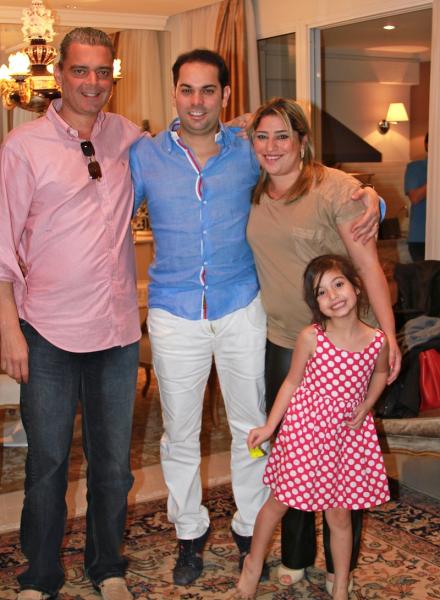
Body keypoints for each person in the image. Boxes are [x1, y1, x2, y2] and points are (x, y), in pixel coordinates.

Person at [129, 52, 381, 587]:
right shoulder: (145, 155)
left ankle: (249, 527)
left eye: (208, 90)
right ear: (173, 93)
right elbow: (103, 211)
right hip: (175, 310)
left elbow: (312, 175)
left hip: (243, 307)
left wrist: (372, 201)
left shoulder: (247, 148)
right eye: (187, 89)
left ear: (225, 96)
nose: (197, 101)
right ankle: (189, 532)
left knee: (252, 426)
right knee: (179, 432)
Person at [0, 28, 140, 600]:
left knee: (113, 466)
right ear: (58, 74)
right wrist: (9, 331)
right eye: (81, 70)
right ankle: (40, 575)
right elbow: (2, 245)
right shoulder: (23, 147)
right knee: (48, 465)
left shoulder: (129, 137)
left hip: (116, 331)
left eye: (103, 71)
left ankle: (107, 567)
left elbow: (195, 147)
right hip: (47, 332)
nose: (92, 82)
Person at [245, 97, 400, 592]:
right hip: (285, 340)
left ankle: (339, 570)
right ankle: (295, 556)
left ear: (303, 141)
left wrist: (389, 337)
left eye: (283, 136)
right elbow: (211, 125)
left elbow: (368, 266)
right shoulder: (255, 191)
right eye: (262, 137)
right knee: (294, 457)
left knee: (342, 459)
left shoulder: (336, 189)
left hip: (343, 348)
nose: (271, 147)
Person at [235, 254, 391, 600]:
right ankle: (252, 566)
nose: (333, 296)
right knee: (279, 503)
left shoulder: (377, 341)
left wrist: (367, 404)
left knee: (340, 516)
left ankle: (340, 585)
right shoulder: (311, 337)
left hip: (347, 438)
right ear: (315, 303)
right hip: (305, 432)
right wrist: (270, 427)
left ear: (356, 286)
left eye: (339, 284)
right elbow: (291, 383)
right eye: (322, 292)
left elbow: (380, 374)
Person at [404, 132, 428, 262]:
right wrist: (435, 176)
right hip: (420, 238)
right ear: (427, 145)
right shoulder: (415, 168)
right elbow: (415, 198)